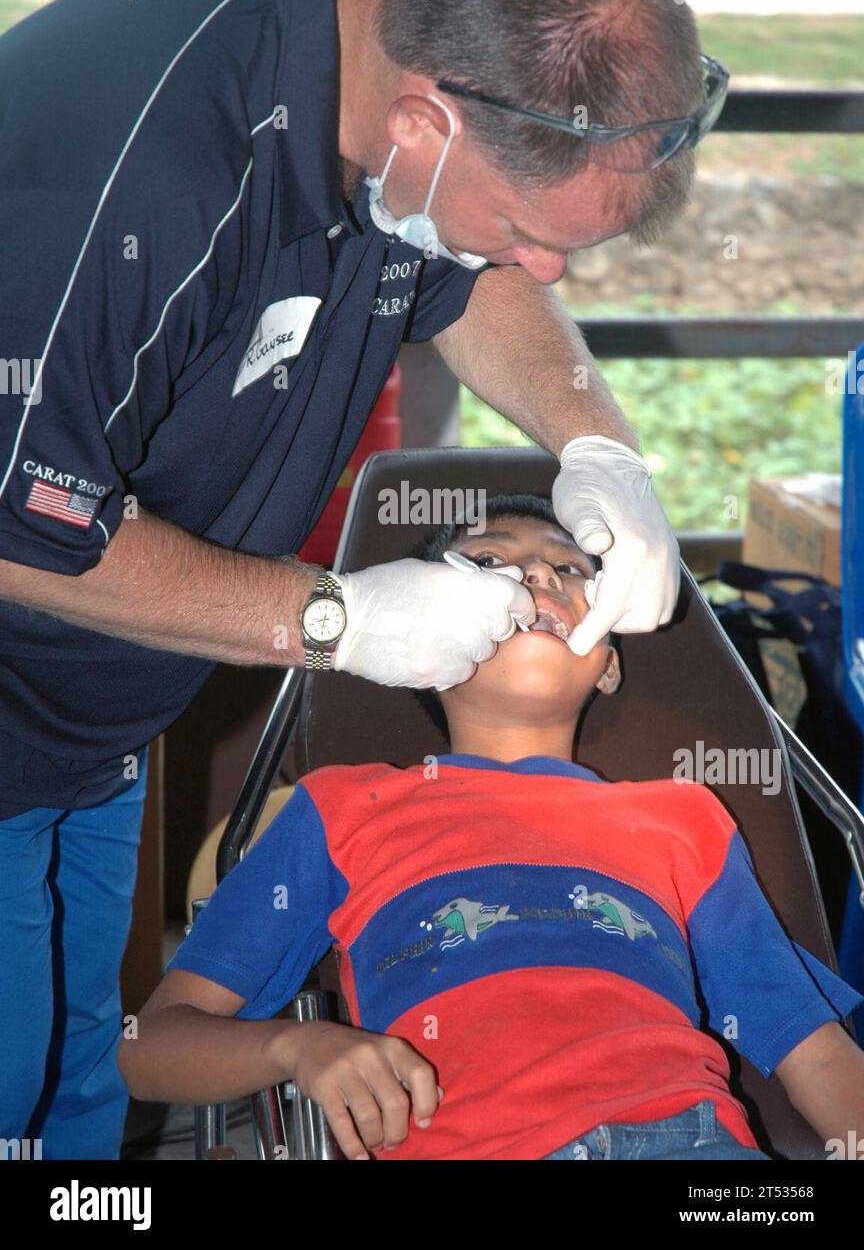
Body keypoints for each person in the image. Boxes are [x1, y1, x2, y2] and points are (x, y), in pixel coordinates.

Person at [0, 0, 725, 1157]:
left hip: (100, 712)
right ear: (420, 122)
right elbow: (22, 521)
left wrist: (597, 441)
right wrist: (331, 616)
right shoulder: (126, 174)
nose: (540, 280)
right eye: (525, 235)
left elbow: (469, 269)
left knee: (78, 1089)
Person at [119, 495, 864, 1161]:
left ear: (607, 660)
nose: (537, 579)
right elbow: (150, 1047)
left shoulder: (683, 819)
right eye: (489, 564)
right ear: (420, 636)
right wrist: (297, 1045)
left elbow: (817, 1056)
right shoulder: (341, 811)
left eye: (572, 571)